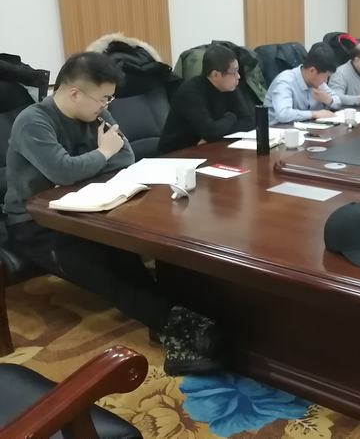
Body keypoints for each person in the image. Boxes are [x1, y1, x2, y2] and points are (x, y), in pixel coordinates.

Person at [3, 52, 223, 375]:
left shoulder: (97, 113)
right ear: (74, 93)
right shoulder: (33, 122)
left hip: (89, 208)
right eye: (103, 98)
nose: (107, 105)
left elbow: (125, 158)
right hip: (36, 223)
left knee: (126, 256)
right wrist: (103, 152)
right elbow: (64, 170)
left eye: (110, 98)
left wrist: (89, 163)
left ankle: (171, 322)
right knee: (105, 272)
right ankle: (180, 326)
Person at [158, 43, 255, 154]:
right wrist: (232, 117)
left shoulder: (230, 86)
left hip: (208, 148)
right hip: (176, 154)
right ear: (215, 75)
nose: (238, 76)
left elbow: (248, 122)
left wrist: (216, 135)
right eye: (234, 72)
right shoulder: (191, 92)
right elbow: (211, 133)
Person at [264, 42, 341, 125]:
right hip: (279, 129)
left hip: (307, 127)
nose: (325, 81)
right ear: (312, 71)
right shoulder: (285, 81)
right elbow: (283, 114)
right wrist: (314, 114)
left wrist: (329, 100)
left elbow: (337, 101)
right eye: (325, 76)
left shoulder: (319, 82)